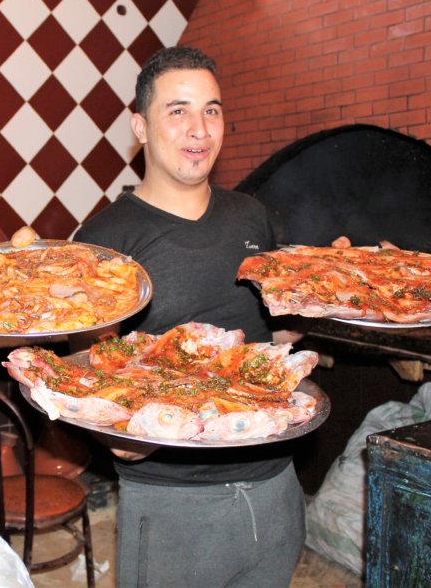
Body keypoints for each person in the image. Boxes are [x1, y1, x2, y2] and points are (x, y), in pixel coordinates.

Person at [73, 45, 306, 587]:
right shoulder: (105, 241)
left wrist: (328, 306)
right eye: (177, 111)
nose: (199, 128)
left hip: (275, 482)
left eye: (212, 110)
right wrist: (119, 435)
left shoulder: (251, 215)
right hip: (173, 501)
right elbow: (82, 373)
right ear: (141, 126)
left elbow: (275, 333)